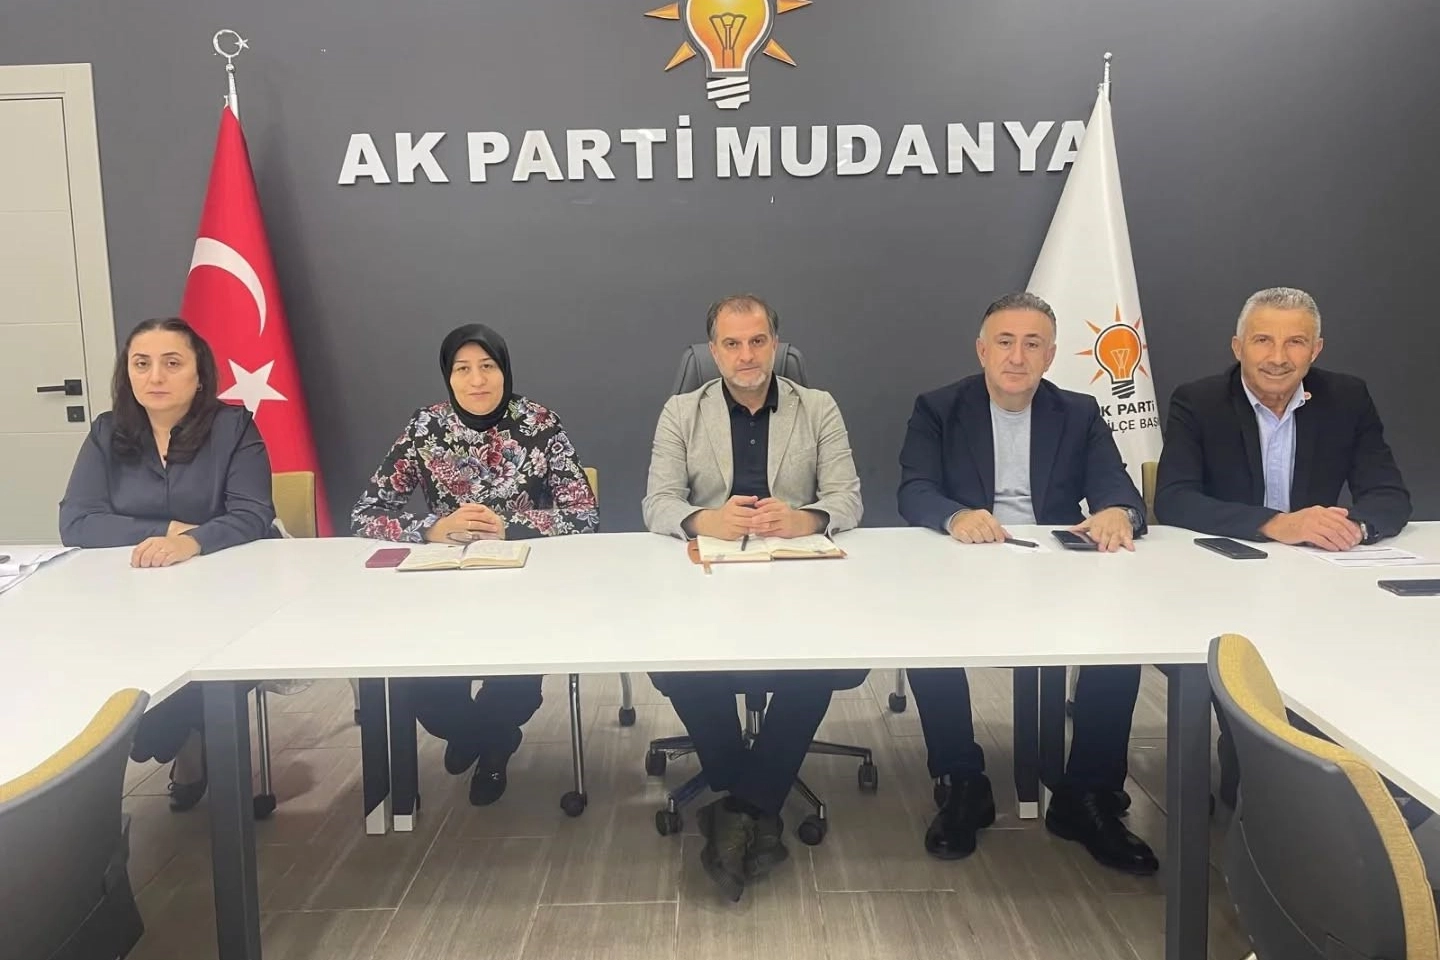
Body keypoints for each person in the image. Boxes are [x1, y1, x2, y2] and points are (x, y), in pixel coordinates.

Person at [897, 292, 1158, 876]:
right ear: (982, 350)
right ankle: (962, 781)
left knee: (1121, 641)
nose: (1017, 356)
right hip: (967, 559)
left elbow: (1118, 489)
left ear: (1051, 355)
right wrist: (955, 516)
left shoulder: (1079, 412)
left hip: (1052, 566)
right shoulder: (939, 408)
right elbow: (915, 490)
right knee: (926, 636)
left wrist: (1118, 512)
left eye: (1032, 344)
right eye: (1005, 342)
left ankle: (1085, 796)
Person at [642, 293, 864, 901]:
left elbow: (848, 498)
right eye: (732, 344)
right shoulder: (681, 412)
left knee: (820, 661)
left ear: (777, 346)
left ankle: (736, 808)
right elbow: (657, 502)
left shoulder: (817, 407)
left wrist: (806, 518)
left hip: (796, 578)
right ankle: (757, 803)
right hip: (708, 580)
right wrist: (702, 520)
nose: (747, 355)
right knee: (679, 662)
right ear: (713, 353)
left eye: (758, 341)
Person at [1154, 286, 1412, 805]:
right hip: (1224, 580)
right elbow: (1175, 499)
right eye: (1262, 341)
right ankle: (1266, 767)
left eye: (1295, 342)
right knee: (1256, 770)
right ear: (1238, 347)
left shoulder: (1347, 397)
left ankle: (1362, 774)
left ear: (1316, 350)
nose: (1278, 357)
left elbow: (1388, 495)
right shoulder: (1199, 401)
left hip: (1316, 581)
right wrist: (1276, 524)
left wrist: (1352, 528)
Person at [352, 323, 598, 806]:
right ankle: (492, 738)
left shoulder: (539, 423)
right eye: (463, 369)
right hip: (445, 587)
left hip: (526, 585)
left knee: (517, 692)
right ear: (448, 376)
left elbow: (584, 515)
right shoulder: (426, 427)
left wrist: (510, 526)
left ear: (505, 370)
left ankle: (491, 746)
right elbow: (366, 514)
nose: (477, 380)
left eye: (487, 366)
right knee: (428, 700)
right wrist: (432, 528)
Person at [59, 317, 277, 810]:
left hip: (222, 589)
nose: (155, 376)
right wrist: (164, 532)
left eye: (172, 363)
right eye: (141, 364)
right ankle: (179, 740)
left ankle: (202, 743)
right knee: (103, 655)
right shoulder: (107, 432)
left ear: (199, 375)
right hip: (130, 593)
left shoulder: (232, 427)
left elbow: (253, 514)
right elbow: (77, 521)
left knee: (199, 650)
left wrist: (193, 543)